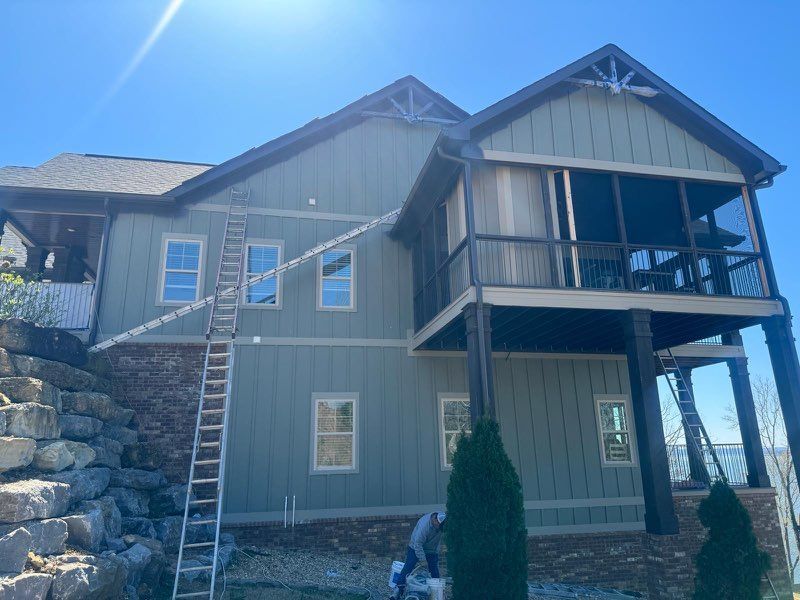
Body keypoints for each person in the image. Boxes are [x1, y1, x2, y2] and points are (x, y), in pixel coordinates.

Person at [391, 512, 446, 599]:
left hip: (431, 550)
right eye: (439, 526)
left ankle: (436, 594)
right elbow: (418, 544)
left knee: (434, 571)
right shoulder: (425, 527)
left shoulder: (442, 520)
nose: (440, 529)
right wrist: (423, 560)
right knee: (408, 568)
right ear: (435, 521)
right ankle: (398, 591)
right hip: (415, 547)